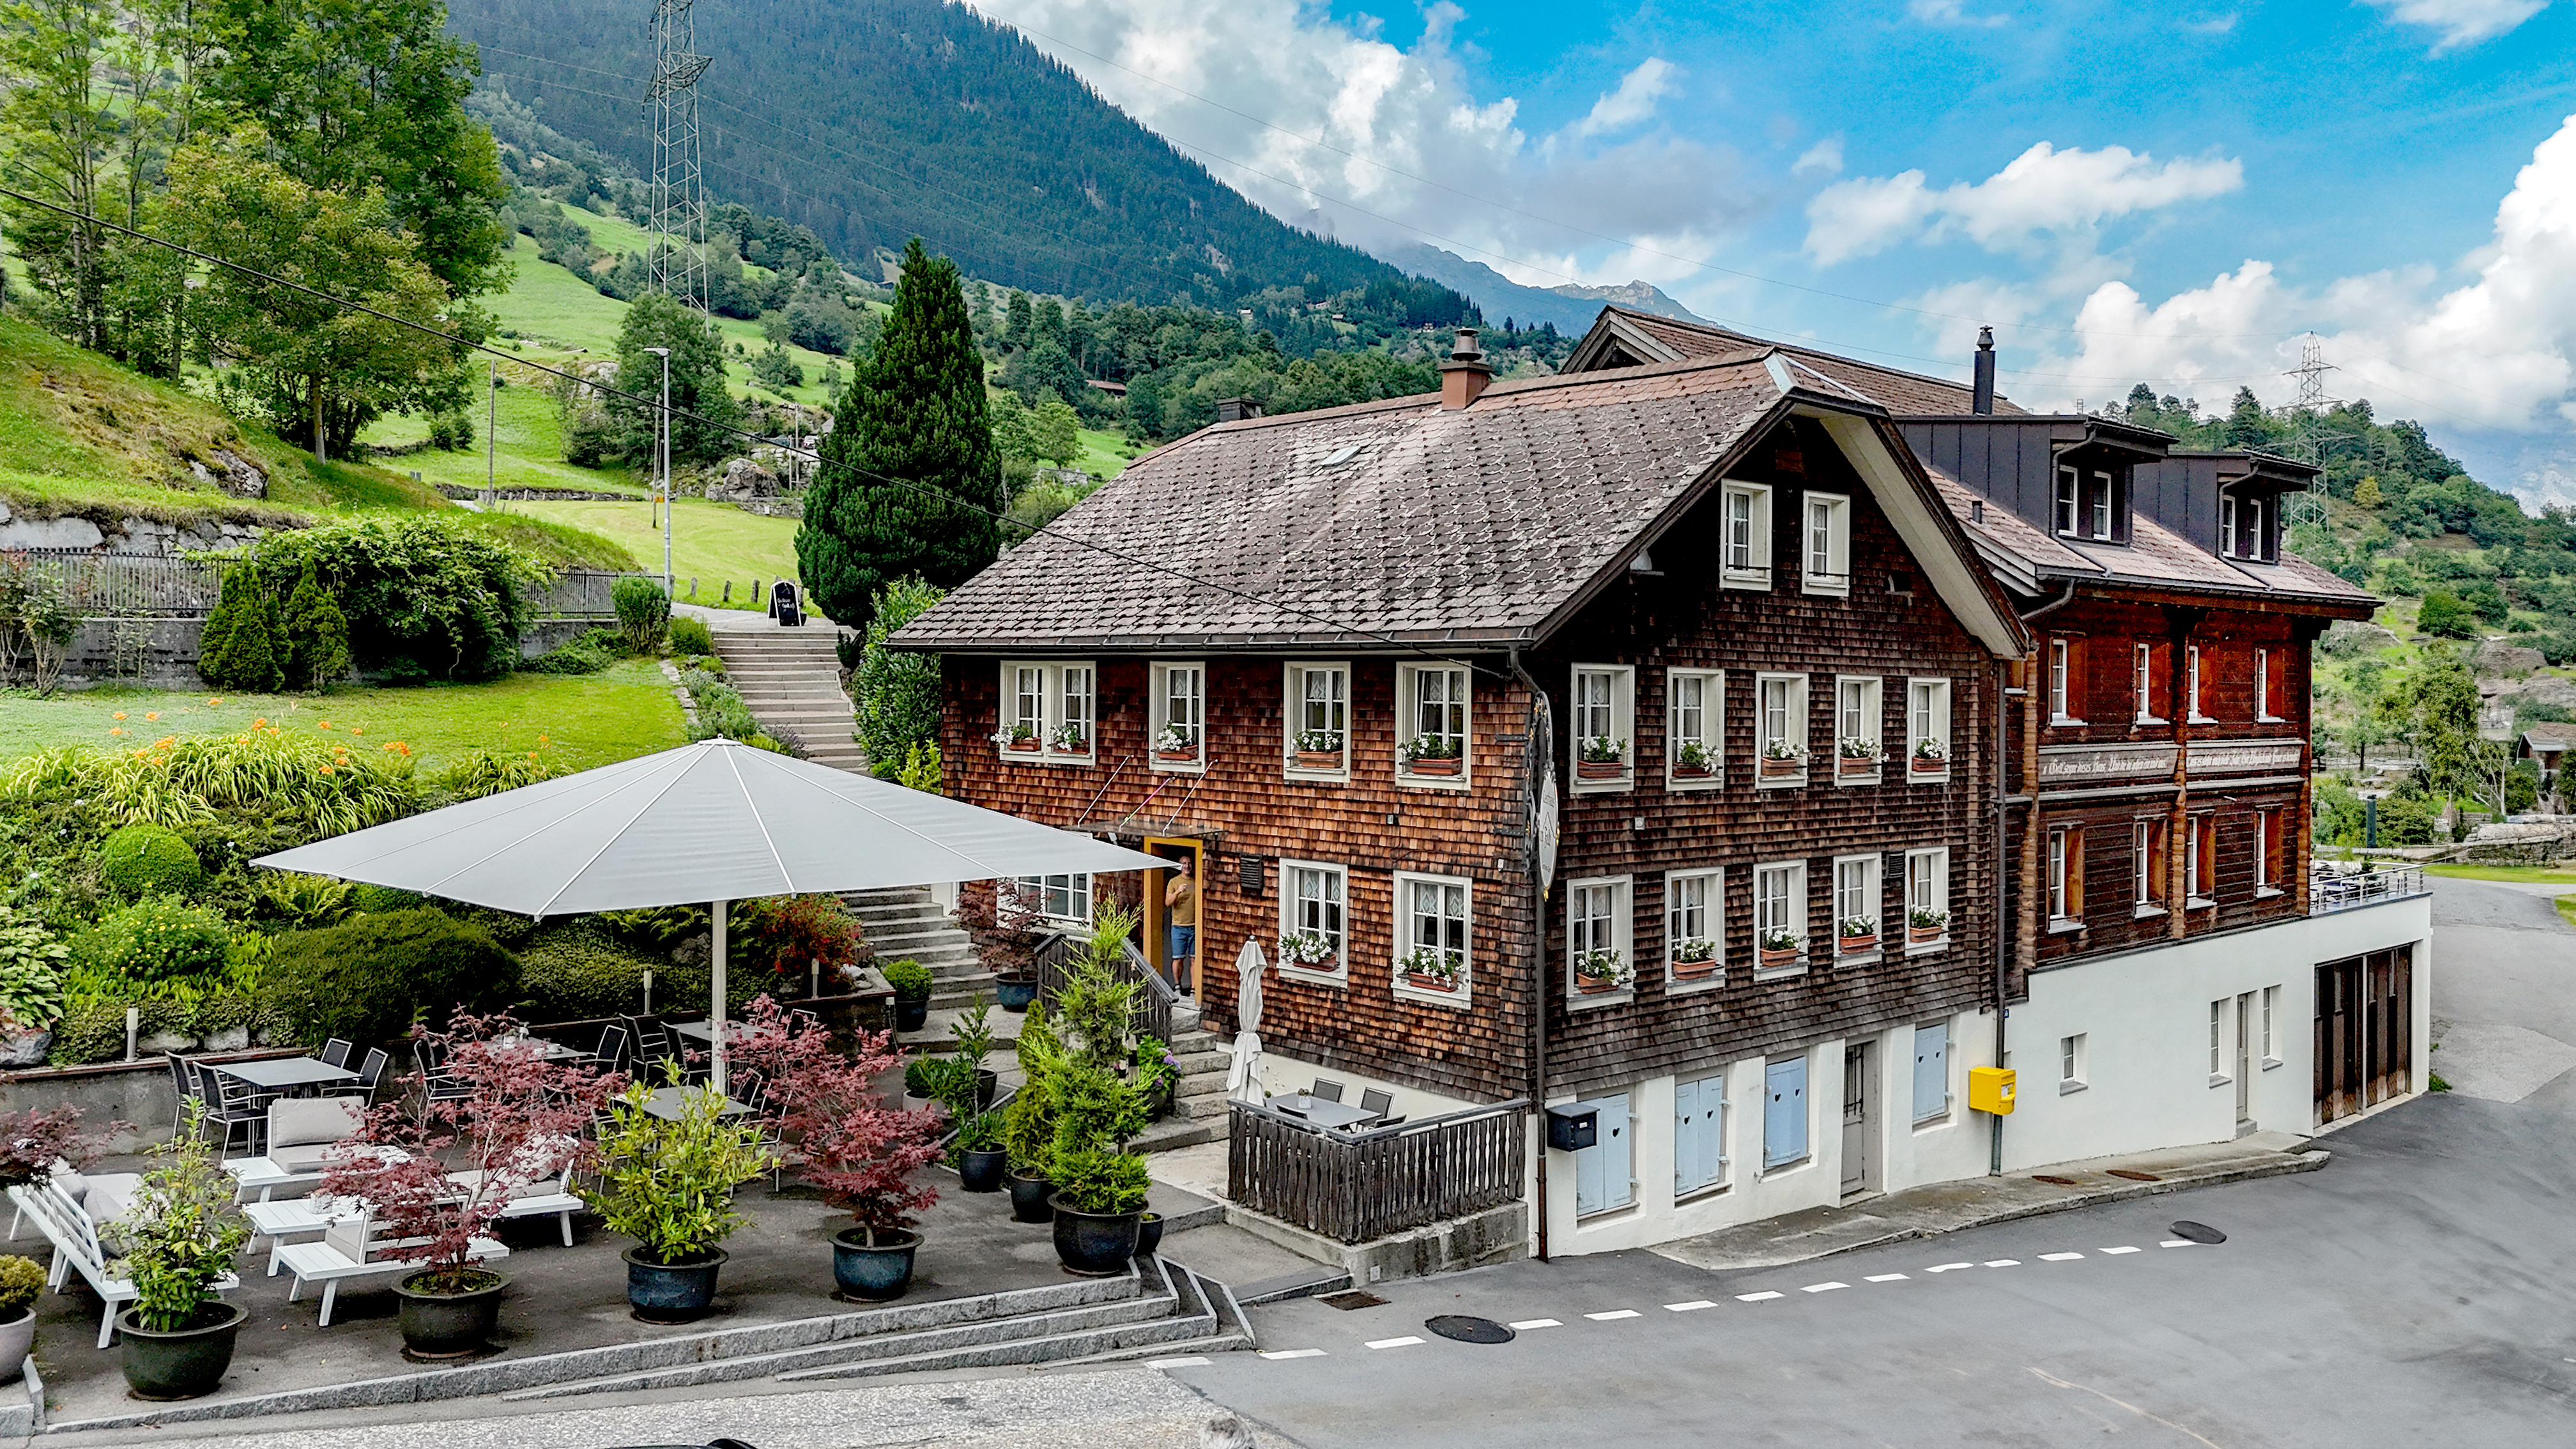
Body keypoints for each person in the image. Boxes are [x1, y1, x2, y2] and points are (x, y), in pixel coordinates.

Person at [1164, 856, 1198, 991]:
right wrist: (1178, 892)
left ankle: (1194, 989)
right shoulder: (1174, 882)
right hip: (1179, 927)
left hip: (1195, 926)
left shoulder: (1196, 881)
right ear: (1180, 866)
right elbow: (1167, 903)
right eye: (1184, 864)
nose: (1187, 866)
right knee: (1178, 959)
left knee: (1194, 959)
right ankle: (1177, 986)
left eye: (1189, 863)